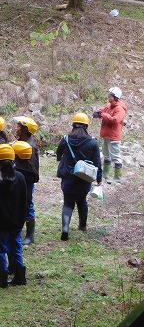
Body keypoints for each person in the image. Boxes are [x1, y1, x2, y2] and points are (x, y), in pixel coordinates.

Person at [0, 144, 28, 288]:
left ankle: (3, 279)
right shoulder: (20, 177)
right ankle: (20, 276)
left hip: (0, 223)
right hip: (17, 222)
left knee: (1, 250)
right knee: (16, 247)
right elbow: (26, 200)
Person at [56, 112, 103, 241]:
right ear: (86, 126)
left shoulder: (66, 139)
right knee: (82, 201)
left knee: (68, 203)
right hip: (85, 178)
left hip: (68, 177)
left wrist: (62, 158)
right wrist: (99, 179)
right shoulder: (92, 142)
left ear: (73, 125)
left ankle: (65, 228)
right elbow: (98, 163)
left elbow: (58, 154)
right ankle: (82, 226)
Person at [13, 116, 40, 244]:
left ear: (25, 130)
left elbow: (31, 169)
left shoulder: (30, 147)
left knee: (28, 205)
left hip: (26, 181)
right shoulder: (21, 143)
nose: (16, 129)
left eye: (19, 127)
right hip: (18, 179)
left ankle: (30, 236)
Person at [93, 87, 127, 182]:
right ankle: (105, 176)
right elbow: (103, 110)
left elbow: (115, 120)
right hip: (106, 135)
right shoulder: (109, 105)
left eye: (110, 96)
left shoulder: (120, 109)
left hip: (114, 137)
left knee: (116, 157)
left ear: (116, 97)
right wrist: (98, 112)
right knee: (106, 156)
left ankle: (117, 178)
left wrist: (103, 115)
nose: (109, 97)